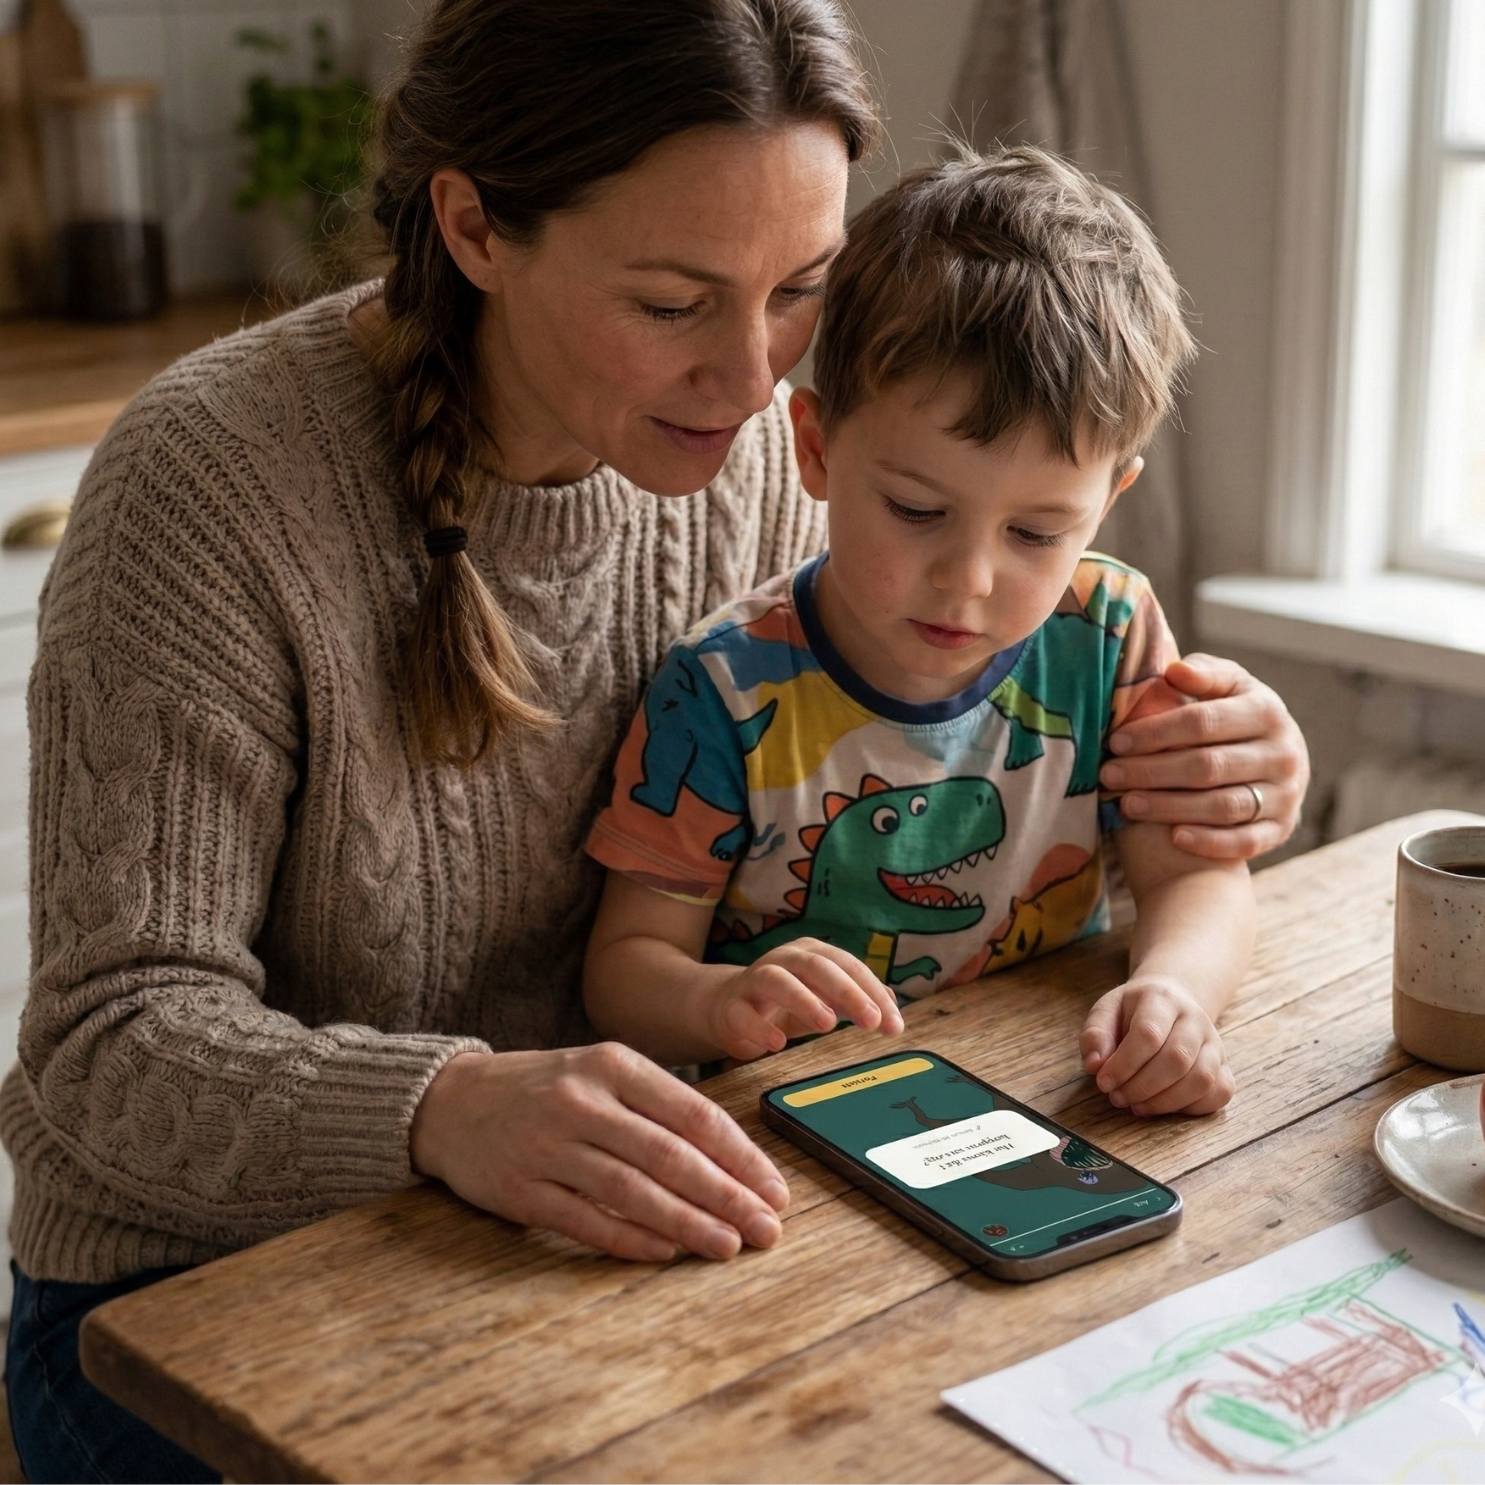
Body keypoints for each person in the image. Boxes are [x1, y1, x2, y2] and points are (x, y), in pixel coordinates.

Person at [0, 2, 1306, 1481]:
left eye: (798, 290)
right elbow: (109, 1051)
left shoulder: (795, 461)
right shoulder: (211, 485)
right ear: (478, 226)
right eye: (674, 303)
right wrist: (438, 1107)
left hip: (598, 1245)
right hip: (189, 1309)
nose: (753, 381)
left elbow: (1009, 724)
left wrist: (1224, 764)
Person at [583, 147, 1254, 1117]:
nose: (968, 580)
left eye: (1035, 532)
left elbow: (1198, 873)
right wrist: (721, 1000)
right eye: (914, 509)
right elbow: (626, 969)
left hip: (1049, 1092)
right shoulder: (720, 689)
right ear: (815, 448)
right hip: (797, 1128)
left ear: (1109, 499)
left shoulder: (1107, 633)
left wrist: (1177, 992)